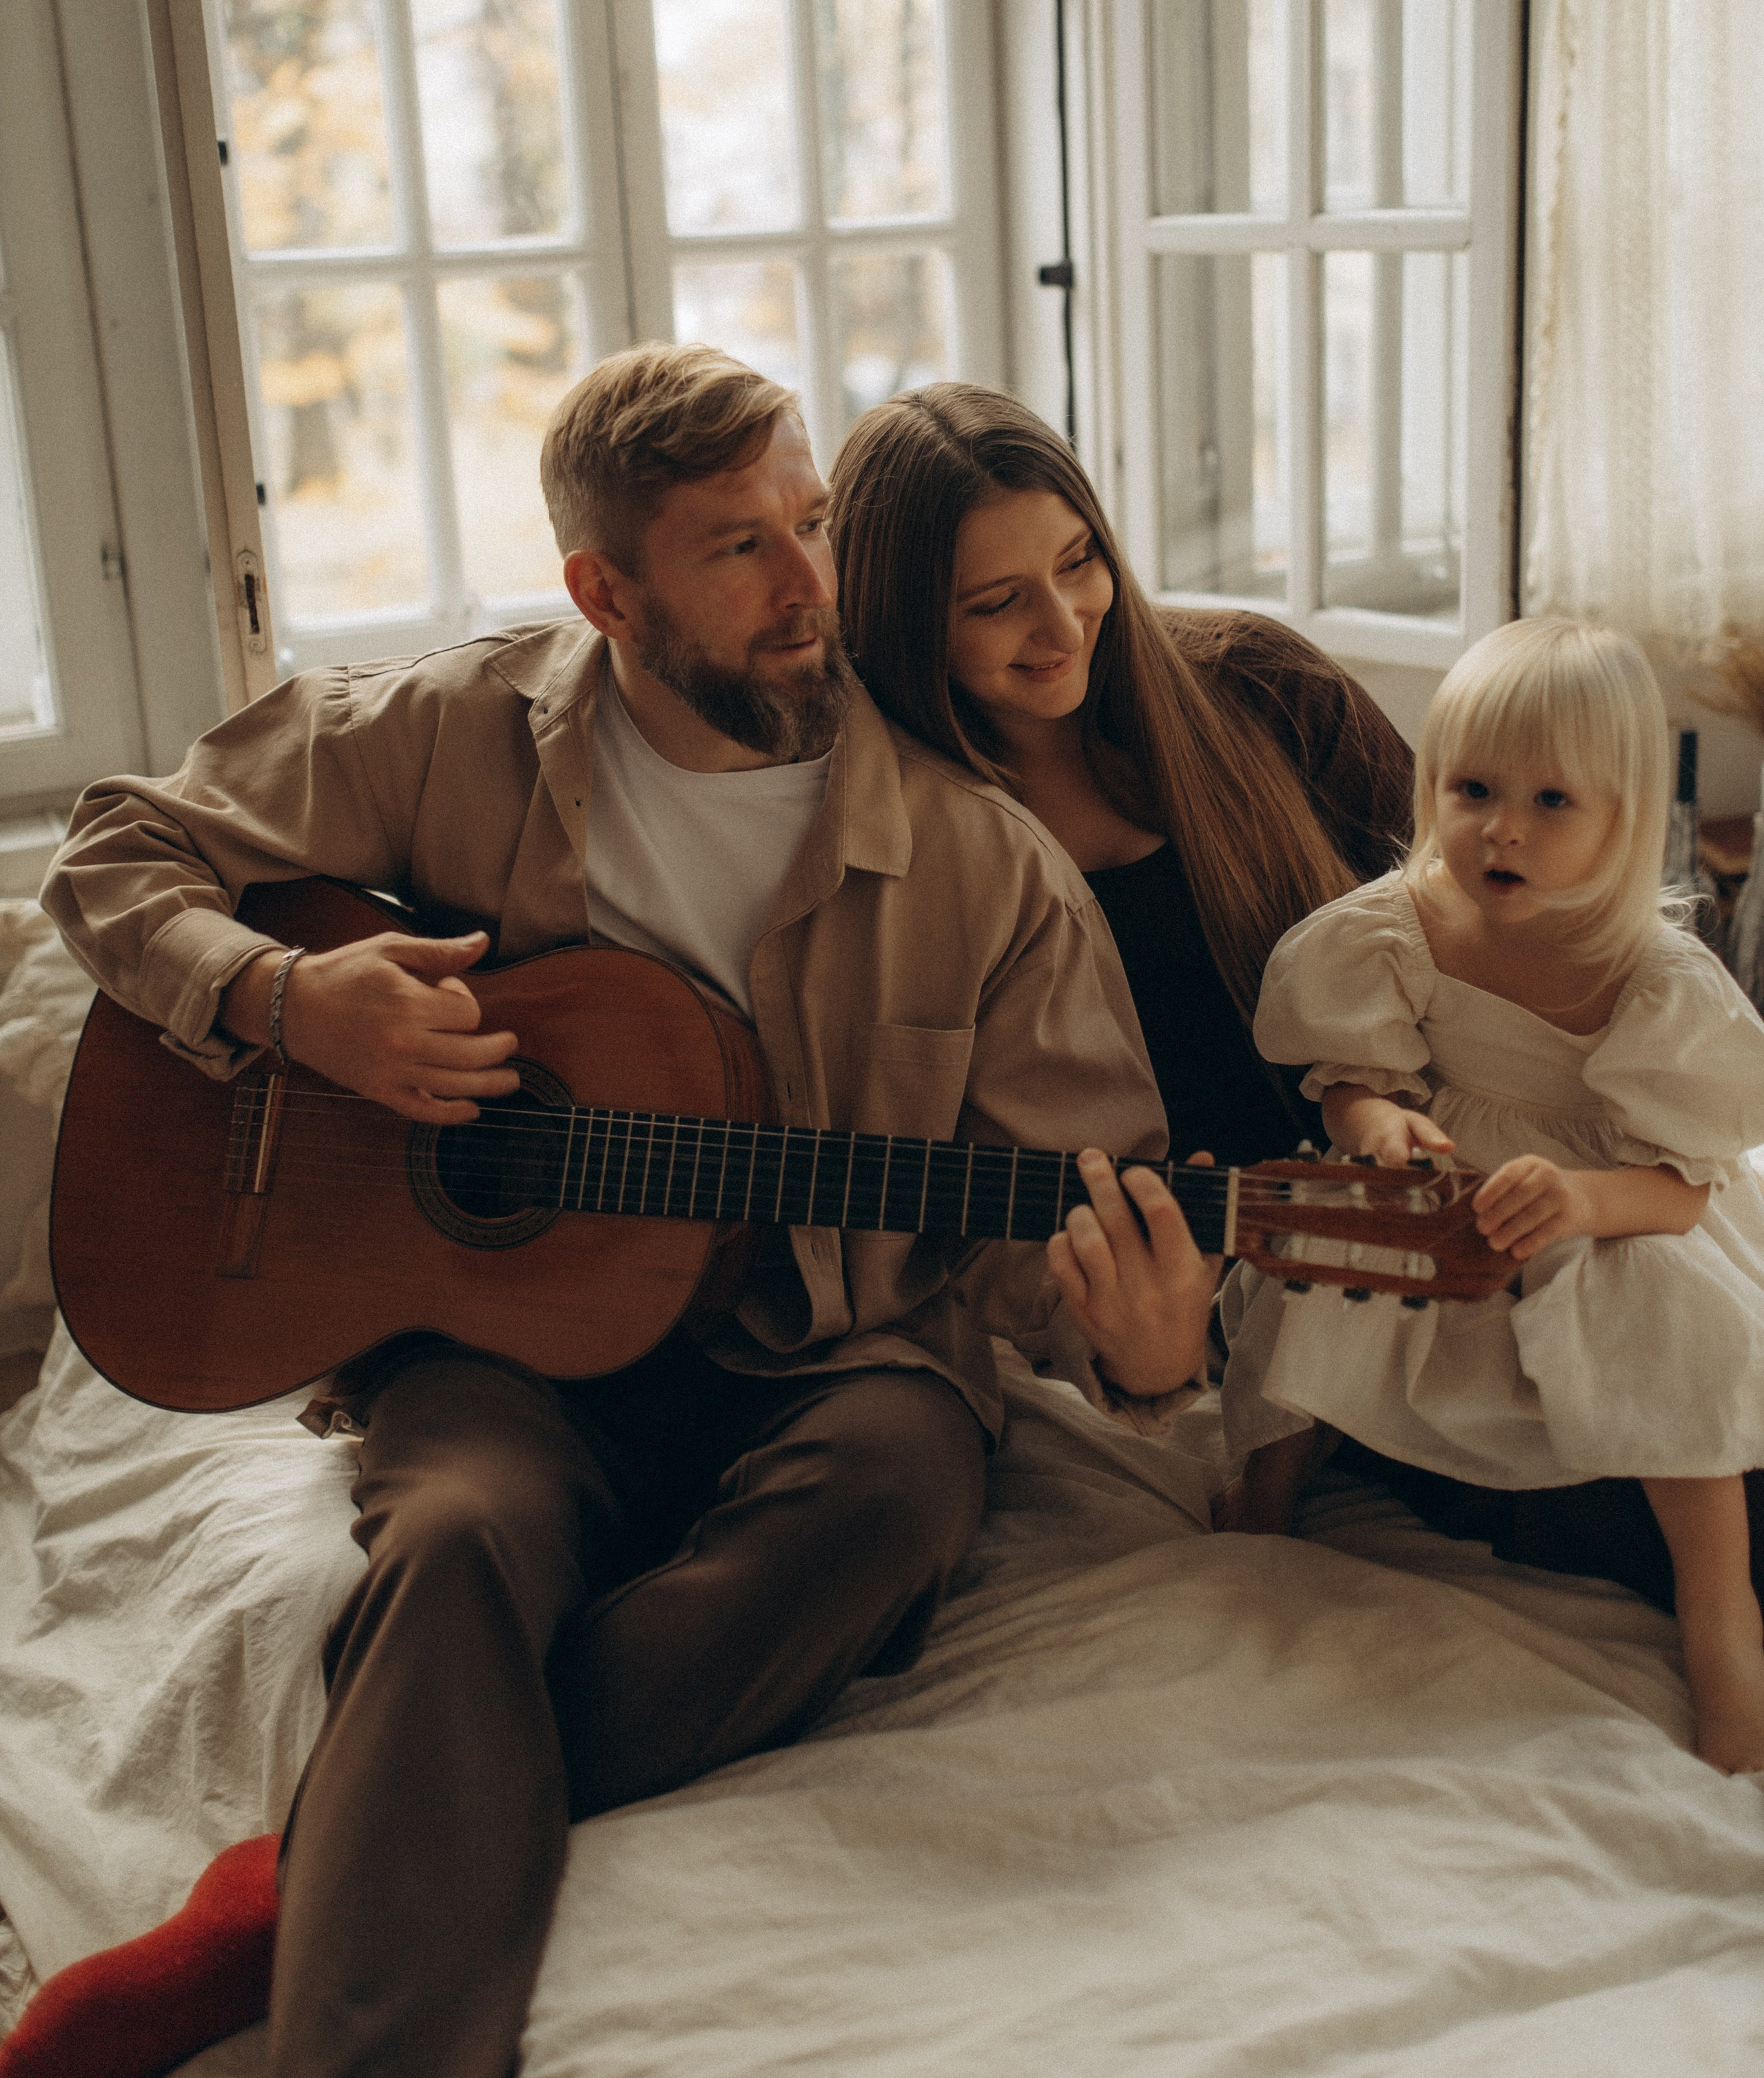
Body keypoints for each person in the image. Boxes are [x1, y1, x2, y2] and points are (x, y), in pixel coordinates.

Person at [30, 345, 1213, 2078]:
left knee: (895, 1492)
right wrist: (291, 999)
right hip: (499, 1352)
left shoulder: (975, 856)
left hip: (838, 1348)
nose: (810, 584)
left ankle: (293, 1895)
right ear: (605, 588)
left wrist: (1144, 1348)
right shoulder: (445, 733)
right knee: (449, 1542)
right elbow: (117, 842)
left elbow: (1067, 1209)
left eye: (808, 521)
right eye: (738, 546)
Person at [1218, 619, 1764, 1774]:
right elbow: (1354, 1074)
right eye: (1472, 789)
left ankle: (1722, 1625)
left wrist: (1576, 1200)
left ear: (1622, 818)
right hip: (1447, 1194)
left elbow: (1677, 1194)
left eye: (1553, 803)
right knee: (1328, 1251)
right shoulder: (1402, 924)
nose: (1502, 829)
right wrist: (1375, 1123)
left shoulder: (1652, 976)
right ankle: (1265, 1488)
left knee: (1678, 1323)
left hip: (1607, 1203)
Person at [826, 382, 1416, 1169]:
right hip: (1103, 1269)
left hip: (1372, 1211)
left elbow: (1457, 908)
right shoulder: (894, 818)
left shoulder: (1263, 684)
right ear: (903, 623)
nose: (1063, 623)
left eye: (1078, 561)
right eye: (998, 603)